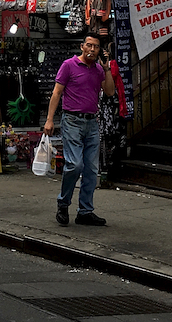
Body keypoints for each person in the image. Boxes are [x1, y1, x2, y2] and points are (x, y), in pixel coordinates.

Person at [43, 35, 116, 227]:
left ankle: (85, 211)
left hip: (92, 122)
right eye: (89, 45)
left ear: (100, 51)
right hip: (72, 120)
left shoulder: (100, 70)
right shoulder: (69, 65)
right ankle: (63, 203)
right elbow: (57, 92)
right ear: (82, 47)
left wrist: (107, 69)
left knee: (92, 169)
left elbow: (110, 92)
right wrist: (50, 120)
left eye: (96, 47)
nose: (92, 49)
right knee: (74, 165)